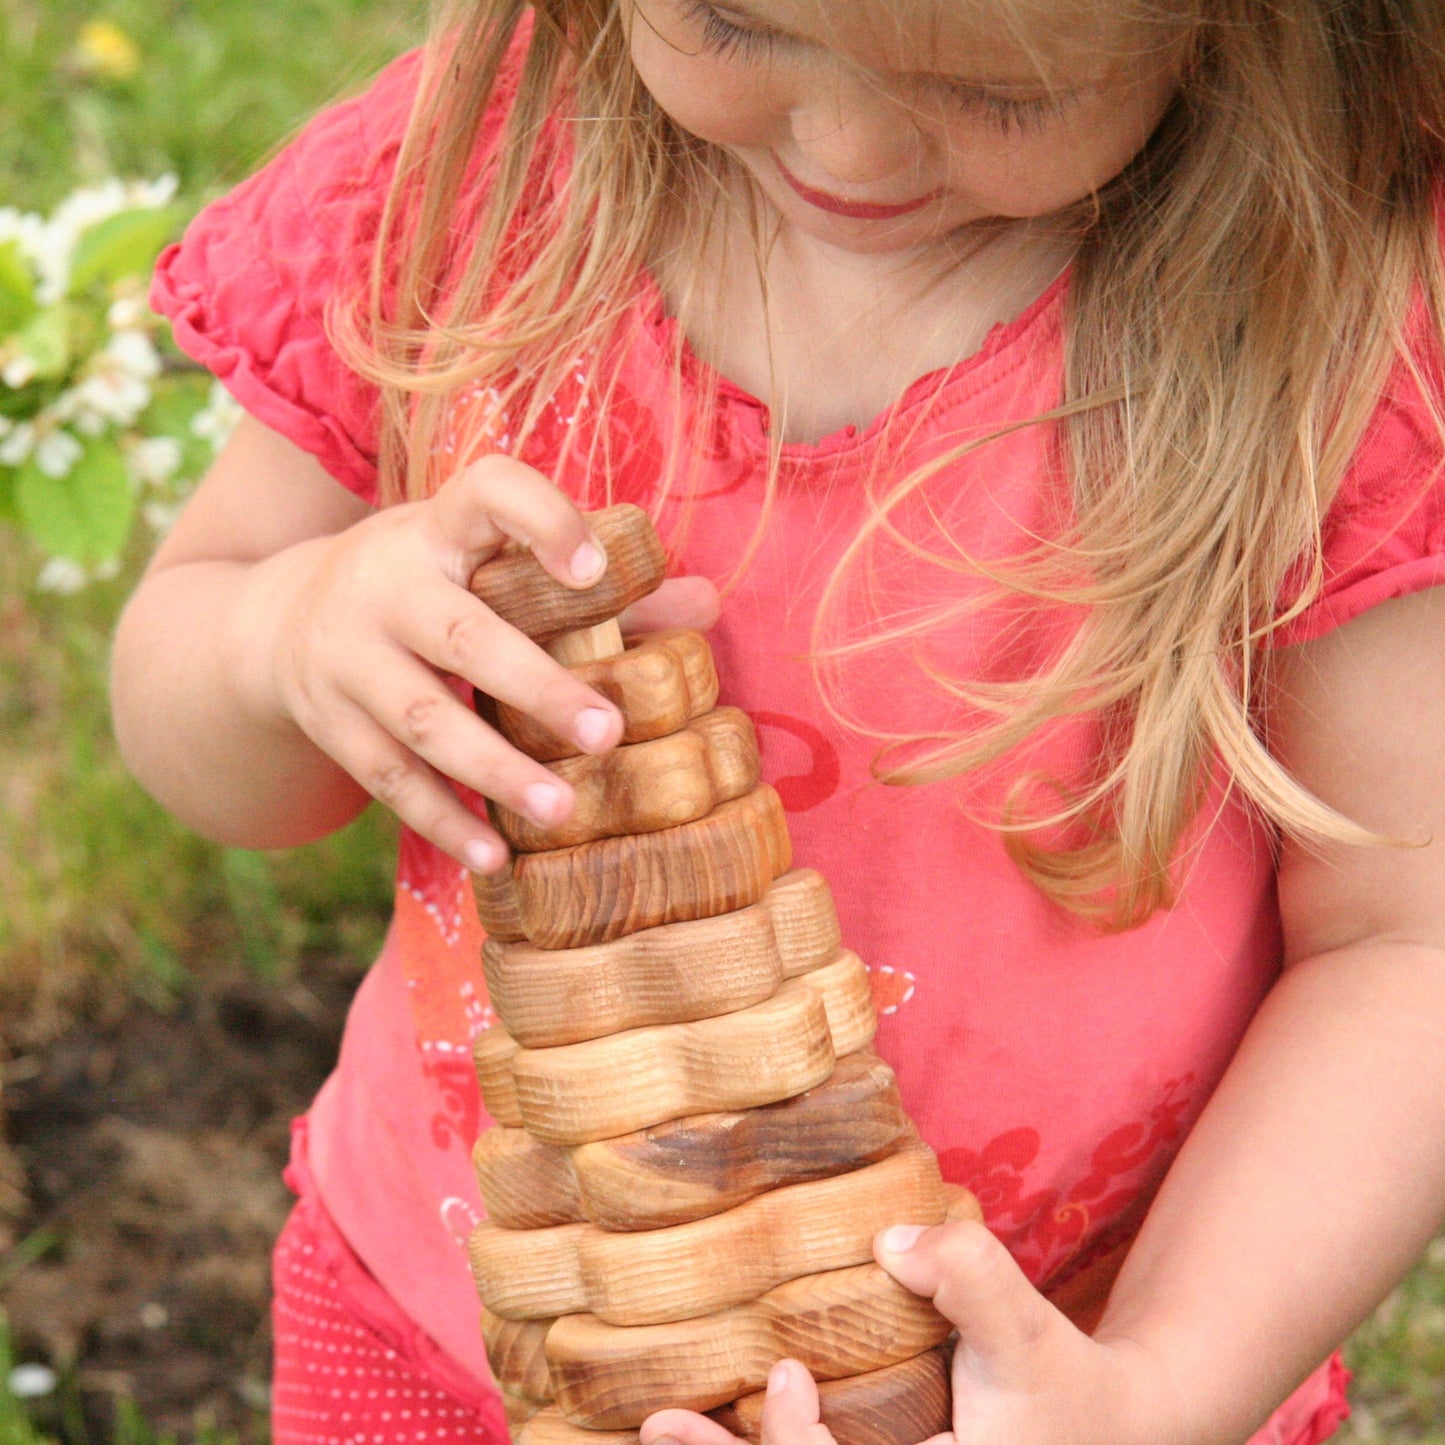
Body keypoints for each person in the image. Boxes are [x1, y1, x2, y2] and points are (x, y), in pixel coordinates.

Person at [113, 1, 1445, 1442]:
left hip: (1044, 1386)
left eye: (1000, 98)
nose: (846, 144)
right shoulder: (472, 176)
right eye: (725, 22)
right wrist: (282, 637)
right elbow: (208, 722)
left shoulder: (1325, 333)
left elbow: (1404, 940)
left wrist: (1160, 1381)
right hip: (451, 1336)